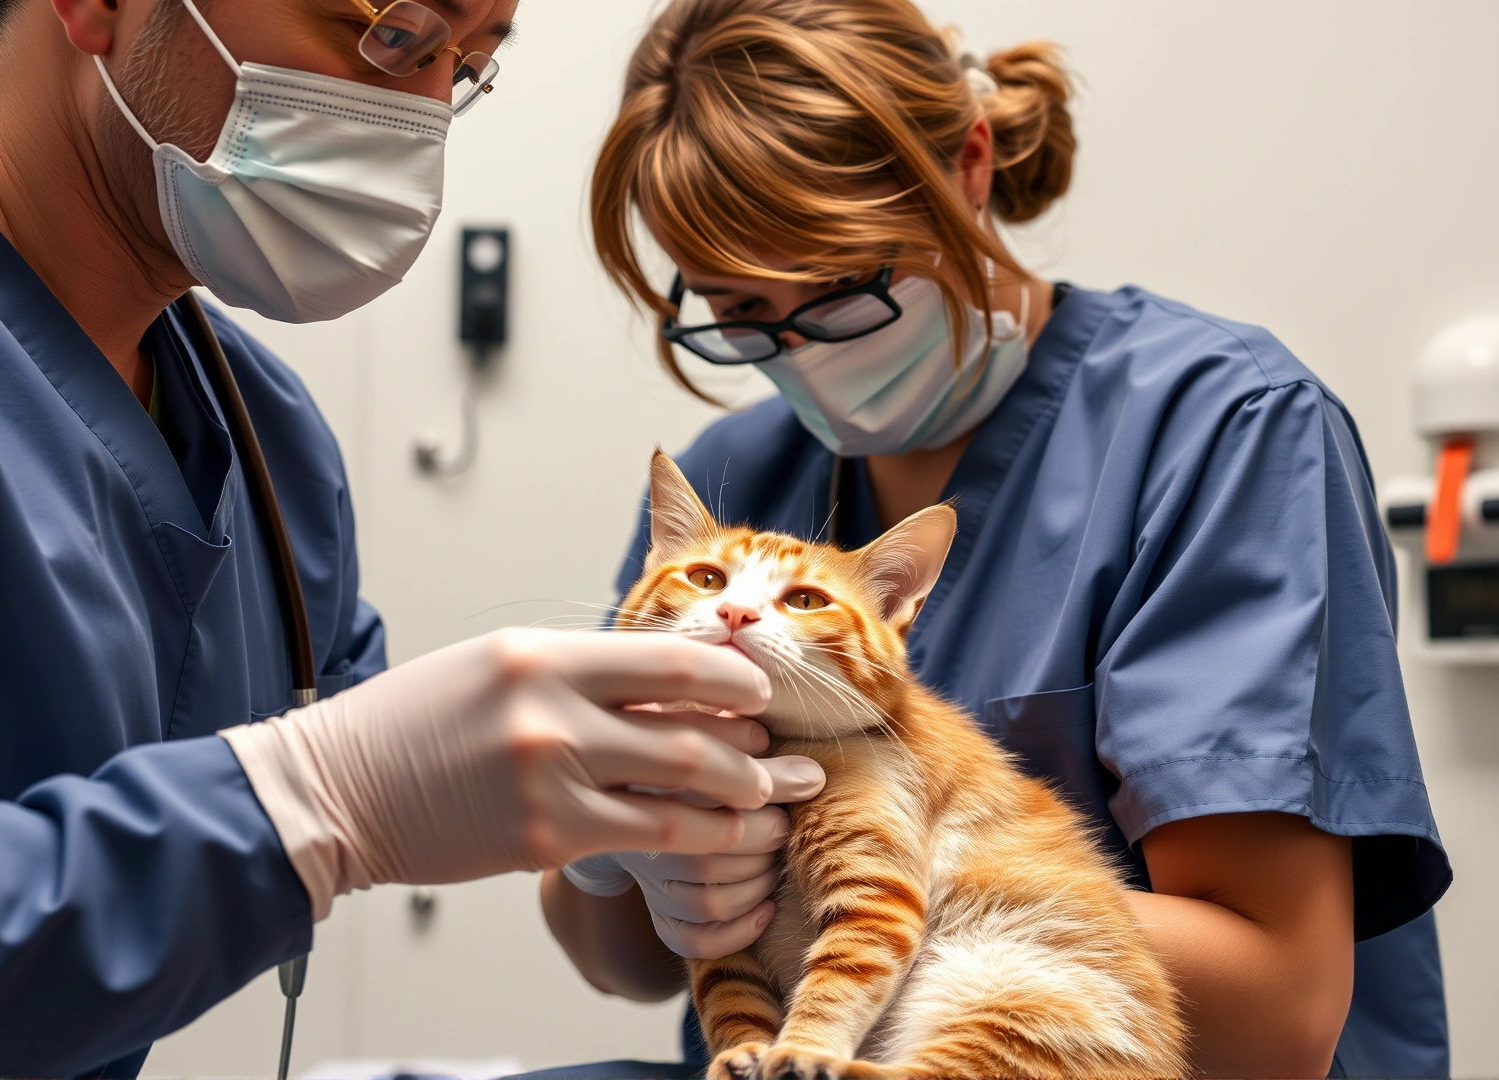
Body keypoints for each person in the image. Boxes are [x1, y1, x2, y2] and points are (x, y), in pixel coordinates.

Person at [0, 0, 826, 1075]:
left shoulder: (268, 444)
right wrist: (318, 801)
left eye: (463, 70)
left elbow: (392, 739)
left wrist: (612, 831)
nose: (419, 123)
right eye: (392, 34)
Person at [540, 1, 1453, 1077]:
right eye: (742, 311)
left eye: (838, 289)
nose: (796, 352)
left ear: (969, 164)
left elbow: (1275, 1010)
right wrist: (611, 850)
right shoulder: (733, 483)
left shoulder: (1221, 432)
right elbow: (627, 966)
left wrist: (871, 864)